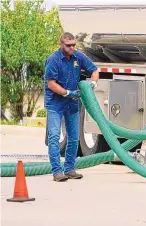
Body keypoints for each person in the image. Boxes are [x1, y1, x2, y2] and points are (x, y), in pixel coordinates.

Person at [44, 32, 99, 182]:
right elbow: (51, 84)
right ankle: (57, 171)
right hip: (55, 103)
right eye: (68, 45)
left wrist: (93, 83)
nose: (72, 48)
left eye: (74, 45)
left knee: (74, 138)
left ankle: (69, 169)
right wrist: (67, 92)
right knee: (54, 137)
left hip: (72, 103)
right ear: (61, 44)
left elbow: (94, 70)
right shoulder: (54, 60)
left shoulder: (78, 57)